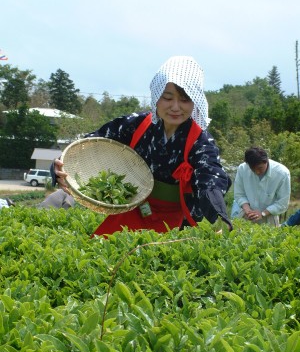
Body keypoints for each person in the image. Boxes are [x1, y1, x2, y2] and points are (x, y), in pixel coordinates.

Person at [53, 56, 232, 236]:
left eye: (185, 100)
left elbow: (210, 177)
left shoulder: (200, 140)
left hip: (177, 219)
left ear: (195, 101)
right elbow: (90, 144)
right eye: (167, 98)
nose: (175, 107)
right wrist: (62, 166)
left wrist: (217, 215)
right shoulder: (136, 124)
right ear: (156, 97)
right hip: (134, 209)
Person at [231, 146, 290, 227]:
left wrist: (263, 213)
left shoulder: (282, 173)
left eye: (260, 168)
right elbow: (239, 194)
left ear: (266, 161)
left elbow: (282, 203)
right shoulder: (243, 169)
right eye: (253, 169)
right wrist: (248, 211)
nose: (257, 172)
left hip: (269, 218)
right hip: (246, 215)